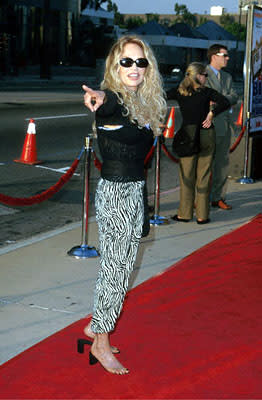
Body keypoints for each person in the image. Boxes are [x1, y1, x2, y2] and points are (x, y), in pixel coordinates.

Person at [79, 35, 167, 374]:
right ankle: (99, 342)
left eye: (140, 62)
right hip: (115, 194)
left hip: (133, 191)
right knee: (114, 272)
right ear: (116, 65)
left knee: (123, 268)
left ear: (148, 68)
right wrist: (98, 97)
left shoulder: (140, 101)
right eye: (127, 62)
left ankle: (96, 325)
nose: (134, 68)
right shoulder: (113, 98)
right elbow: (106, 101)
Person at [167, 62, 230, 224]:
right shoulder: (207, 92)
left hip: (188, 135)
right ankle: (202, 215)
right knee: (203, 175)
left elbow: (159, 97)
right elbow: (225, 102)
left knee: (186, 177)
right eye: (204, 74)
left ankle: (185, 214)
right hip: (206, 134)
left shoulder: (179, 92)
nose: (206, 77)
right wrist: (211, 114)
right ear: (196, 75)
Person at [205, 44, 238, 210]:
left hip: (224, 126)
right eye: (224, 55)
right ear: (214, 56)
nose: (227, 58)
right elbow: (203, 98)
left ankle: (217, 197)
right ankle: (201, 199)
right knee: (204, 166)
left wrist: (218, 99)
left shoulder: (227, 77)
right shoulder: (202, 74)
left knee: (222, 165)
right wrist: (224, 99)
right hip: (208, 126)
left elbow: (234, 96)